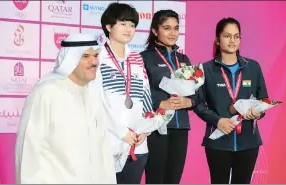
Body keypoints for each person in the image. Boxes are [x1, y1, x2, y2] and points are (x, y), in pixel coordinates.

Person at [15, 33, 116, 184]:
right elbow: (29, 150)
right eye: (85, 56)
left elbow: (104, 151)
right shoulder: (46, 92)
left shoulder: (93, 93)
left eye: (95, 55)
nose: (94, 61)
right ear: (70, 59)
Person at [98, 3, 174, 184]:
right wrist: (122, 132)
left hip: (137, 145)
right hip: (108, 142)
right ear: (109, 26)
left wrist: (145, 129)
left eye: (132, 25)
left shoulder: (137, 58)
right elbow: (97, 102)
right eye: (123, 23)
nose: (129, 29)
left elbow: (146, 96)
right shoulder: (97, 56)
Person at [192, 17, 268, 184]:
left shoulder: (253, 67)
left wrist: (257, 112)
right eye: (227, 36)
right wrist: (217, 121)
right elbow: (197, 104)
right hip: (218, 141)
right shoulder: (204, 69)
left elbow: (264, 99)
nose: (232, 40)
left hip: (248, 142)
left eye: (236, 36)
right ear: (217, 40)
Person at [140, 10, 195, 184]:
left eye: (176, 28)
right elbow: (138, 93)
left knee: (173, 180)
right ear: (155, 31)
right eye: (167, 28)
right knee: (155, 179)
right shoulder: (144, 58)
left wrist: (189, 101)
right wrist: (159, 103)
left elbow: (198, 95)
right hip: (157, 128)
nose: (173, 33)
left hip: (181, 128)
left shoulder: (184, 59)